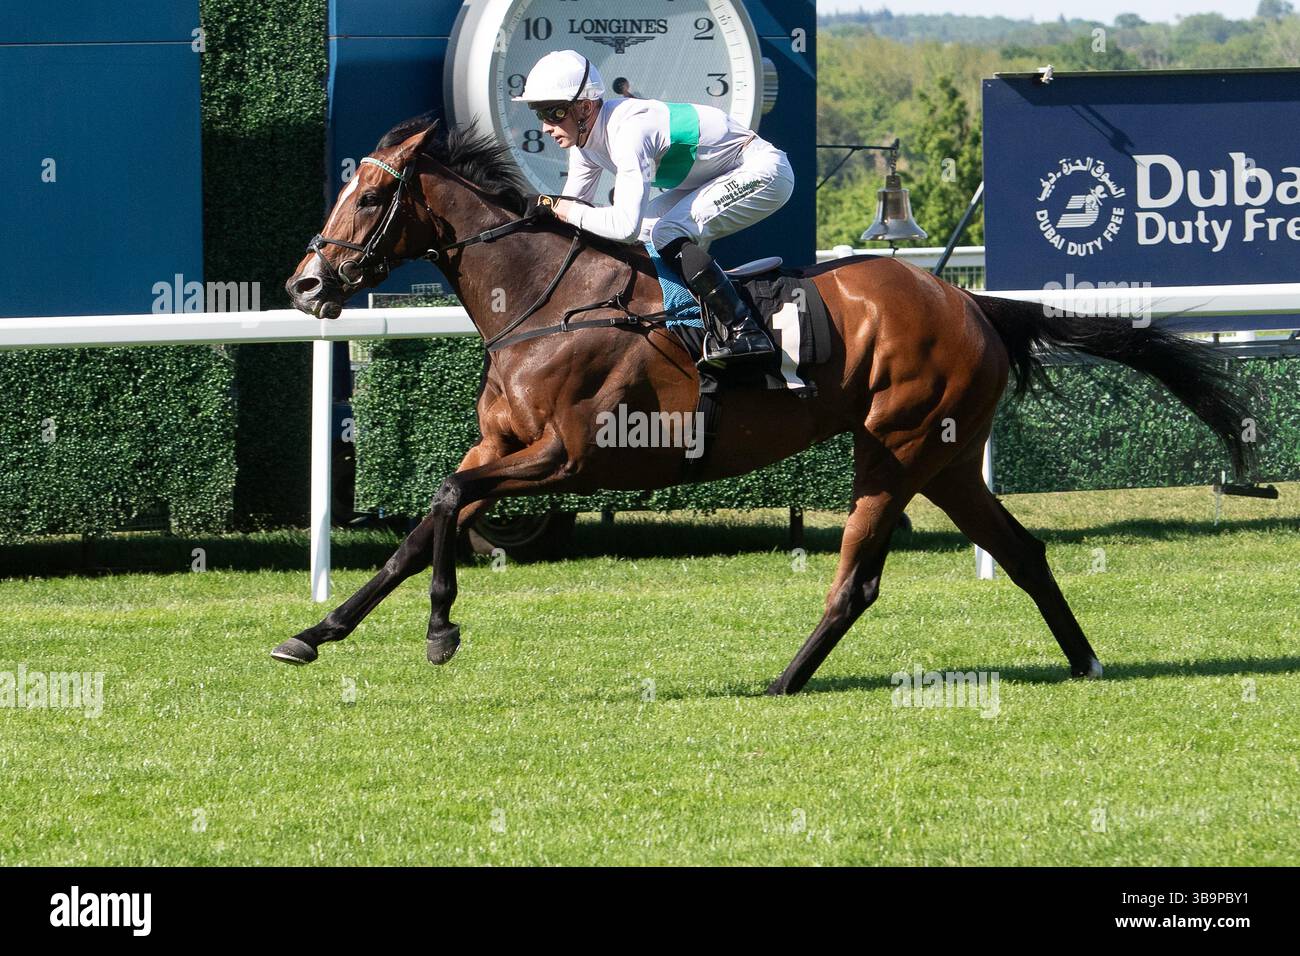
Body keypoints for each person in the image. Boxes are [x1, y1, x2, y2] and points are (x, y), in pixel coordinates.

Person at [512, 49, 795, 366]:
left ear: (584, 107)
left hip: (764, 171)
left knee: (664, 230)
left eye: (553, 113)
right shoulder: (584, 143)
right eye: (540, 114)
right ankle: (683, 315)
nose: (546, 127)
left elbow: (619, 225)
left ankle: (746, 331)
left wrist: (561, 209)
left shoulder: (630, 132)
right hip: (718, 175)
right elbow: (571, 215)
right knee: (649, 229)